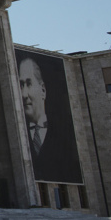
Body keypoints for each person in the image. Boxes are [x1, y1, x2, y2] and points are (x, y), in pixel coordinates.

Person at [16, 55, 80, 183]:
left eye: (29, 84)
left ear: (43, 90)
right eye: (21, 85)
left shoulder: (63, 132)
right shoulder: (18, 135)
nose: (24, 94)